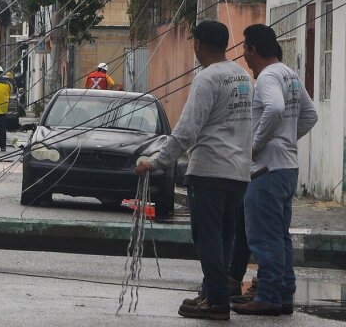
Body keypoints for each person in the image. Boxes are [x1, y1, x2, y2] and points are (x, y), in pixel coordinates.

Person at [136, 20, 253, 320]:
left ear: (198, 44)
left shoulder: (207, 79)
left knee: (207, 236)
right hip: (238, 172)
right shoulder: (242, 76)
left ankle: (215, 301)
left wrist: (157, 161)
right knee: (226, 235)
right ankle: (213, 293)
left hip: (210, 171)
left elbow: (187, 131)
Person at [229, 24, 319, 316]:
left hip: (266, 169)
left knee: (263, 236)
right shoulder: (289, 74)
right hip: (287, 167)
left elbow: (276, 109)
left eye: (244, 48)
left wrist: (256, 145)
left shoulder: (267, 76)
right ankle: (283, 294)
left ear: (253, 48)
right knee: (280, 236)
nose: (244, 55)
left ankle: (267, 296)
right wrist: (287, 139)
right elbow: (310, 115)